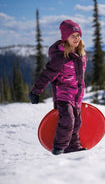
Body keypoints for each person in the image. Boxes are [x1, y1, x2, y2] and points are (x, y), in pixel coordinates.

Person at [29, 20, 87, 155]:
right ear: (65, 38)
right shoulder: (60, 57)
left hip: (77, 95)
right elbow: (47, 74)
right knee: (68, 119)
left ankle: (73, 147)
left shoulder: (81, 54)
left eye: (78, 35)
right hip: (63, 94)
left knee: (76, 122)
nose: (76, 38)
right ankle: (59, 148)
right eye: (73, 36)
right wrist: (36, 91)